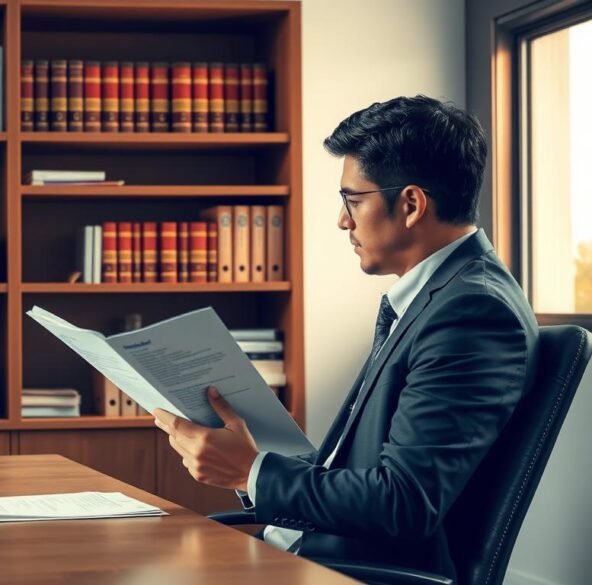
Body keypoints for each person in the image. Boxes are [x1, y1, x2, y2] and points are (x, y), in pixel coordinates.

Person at [153, 95, 539, 579]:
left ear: (412, 204)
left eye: (353, 200)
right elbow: (365, 474)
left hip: (345, 568)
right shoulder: (438, 296)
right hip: (313, 548)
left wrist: (250, 469)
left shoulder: (472, 313)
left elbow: (403, 503)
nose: (343, 221)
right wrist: (254, 464)